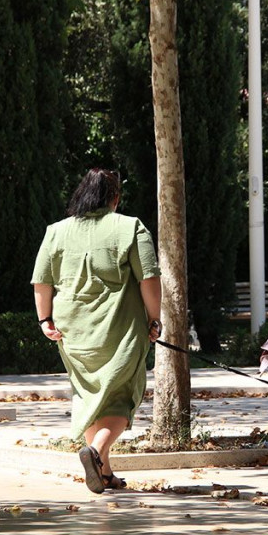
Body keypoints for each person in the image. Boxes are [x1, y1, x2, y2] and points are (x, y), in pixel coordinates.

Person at [32, 168, 162, 493]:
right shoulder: (131, 227)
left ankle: (104, 473)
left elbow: (42, 281)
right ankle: (96, 451)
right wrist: (154, 319)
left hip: (72, 331)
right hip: (121, 329)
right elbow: (149, 278)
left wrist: (44, 320)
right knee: (122, 396)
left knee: (90, 394)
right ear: (114, 198)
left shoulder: (56, 231)